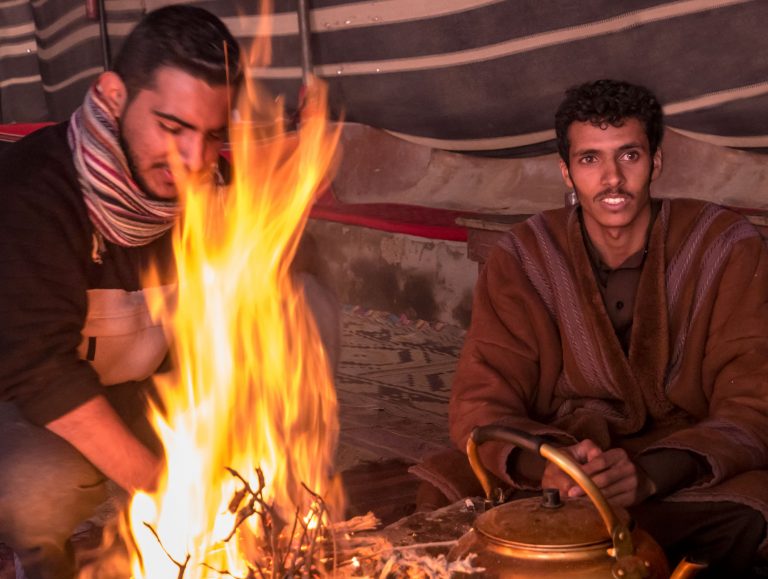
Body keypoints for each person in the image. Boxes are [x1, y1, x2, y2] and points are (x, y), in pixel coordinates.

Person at [0, 6, 338, 579]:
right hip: (31, 407)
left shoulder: (213, 190)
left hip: (149, 391)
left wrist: (281, 202)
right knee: (32, 489)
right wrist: (165, 488)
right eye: (172, 127)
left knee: (304, 301)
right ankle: (41, 564)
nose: (194, 160)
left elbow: (275, 300)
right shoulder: (31, 192)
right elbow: (39, 372)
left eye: (212, 136)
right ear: (111, 95)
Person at [446, 80, 768, 575]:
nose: (612, 179)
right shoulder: (523, 256)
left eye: (629, 156)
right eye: (590, 160)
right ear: (567, 171)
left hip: (679, 466)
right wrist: (553, 466)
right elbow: (480, 400)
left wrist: (650, 476)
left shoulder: (725, 247)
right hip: (566, 463)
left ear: (656, 162)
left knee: (749, 514)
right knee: (443, 496)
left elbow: (754, 403)